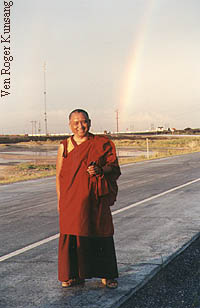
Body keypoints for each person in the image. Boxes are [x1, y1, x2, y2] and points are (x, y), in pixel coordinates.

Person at [56, 109, 121, 289]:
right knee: (72, 235)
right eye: (76, 123)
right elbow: (59, 175)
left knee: (101, 231)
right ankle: (73, 275)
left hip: (95, 199)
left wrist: (100, 170)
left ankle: (107, 275)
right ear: (70, 125)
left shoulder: (101, 144)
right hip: (71, 200)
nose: (80, 126)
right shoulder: (65, 146)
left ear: (90, 122)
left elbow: (114, 168)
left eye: (83, 122)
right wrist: (60, 201)